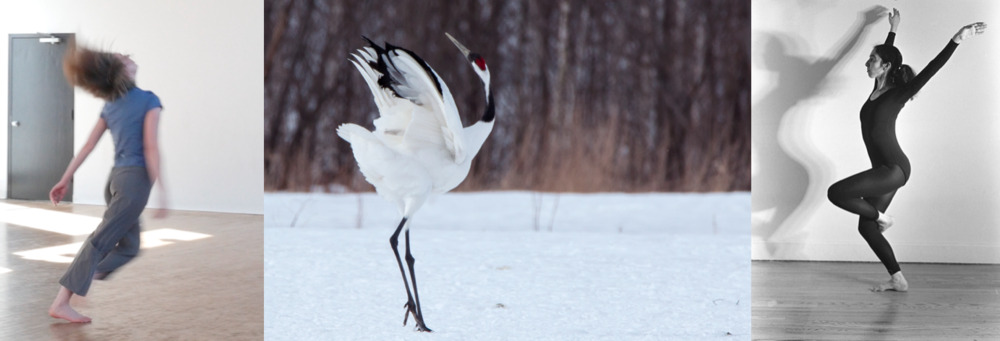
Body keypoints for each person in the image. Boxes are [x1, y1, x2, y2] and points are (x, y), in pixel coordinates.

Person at [827, 8, 986, 292]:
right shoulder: (876, 90)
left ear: (885, 66)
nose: (867, 63)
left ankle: (883, 218)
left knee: (836, 193)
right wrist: (893, 28)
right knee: (866, 227)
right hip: (884, 170)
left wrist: (957, 39)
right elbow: (889, 53)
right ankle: (897, 279)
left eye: (872, 60)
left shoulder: (897, 94)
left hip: (895, 169)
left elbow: (931, 69)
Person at [47, 44, 168, 322]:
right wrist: (162, 191)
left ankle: (89, 275)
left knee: (129, 247)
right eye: (124, 59)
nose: (129, 57)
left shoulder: (111, 105)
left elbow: (88, 146)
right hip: (133, 183)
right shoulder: (149, 100)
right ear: (120, 72)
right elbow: (151, 147)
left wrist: (66, 178)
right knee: (100, 242)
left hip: (115, 180)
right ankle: (62, 301)